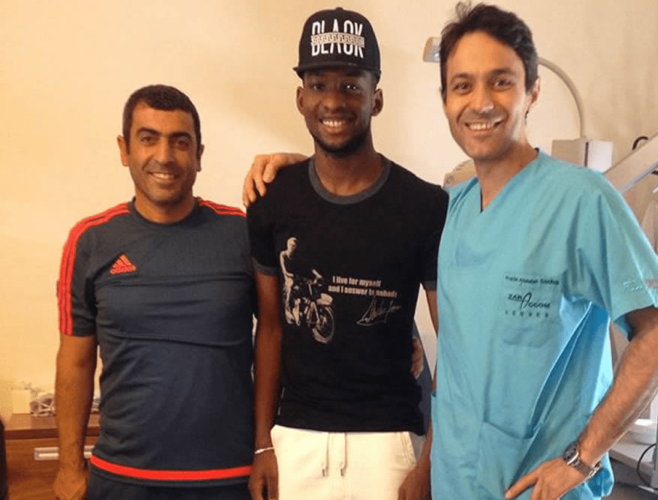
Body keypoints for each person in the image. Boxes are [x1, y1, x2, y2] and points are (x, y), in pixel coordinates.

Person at [430, 3, 658, 500]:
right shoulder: (452, 208)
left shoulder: (582, 200)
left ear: (532, 90)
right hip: (455, 481)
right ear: (445, 100)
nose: (480, 103)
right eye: (462, 85)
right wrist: (296, 169)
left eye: (500, 82)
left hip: (542, 490)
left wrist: (581, 457)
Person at [245, 7, 448, 500]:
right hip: (296, 441)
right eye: (318, 85)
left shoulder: (425, 206)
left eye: (351, 85)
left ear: (376, 98)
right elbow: (269, 328)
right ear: (300, 98)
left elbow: (455, 344)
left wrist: (430, 458)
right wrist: (263, 445)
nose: (333, 101)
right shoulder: (272, 199)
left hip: (390, 442)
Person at [54, 84, 255, 500]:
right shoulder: (90, 240)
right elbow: (75, 362)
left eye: (180, 142)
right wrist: (69, 466)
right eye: (148, 139)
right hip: (121, 478)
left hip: (229, 477)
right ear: (124, 149)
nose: (164, 156)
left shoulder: (243, 233)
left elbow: (281, 334)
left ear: (199, 154)